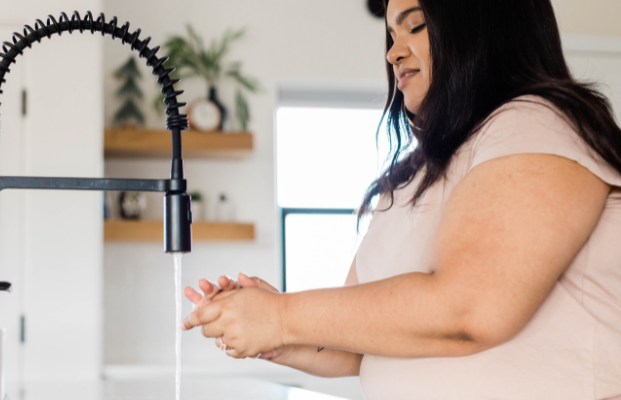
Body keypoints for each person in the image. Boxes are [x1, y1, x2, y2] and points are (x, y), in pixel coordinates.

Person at [181, 0, 621, 398]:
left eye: (415, 27)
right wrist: (268, 329)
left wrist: (280, 316)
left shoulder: (536, 125)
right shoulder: (420, 173)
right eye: (392, 35)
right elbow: (356, 348)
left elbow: (467, 308)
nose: (393, 52)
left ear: (483, 28)